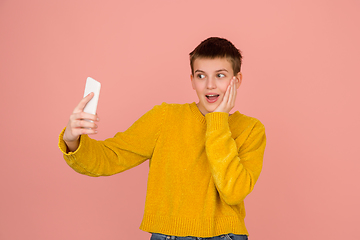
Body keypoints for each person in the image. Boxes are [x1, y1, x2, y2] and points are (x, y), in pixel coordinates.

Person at [58, 37, 266, 240]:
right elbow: (111, 157)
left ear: (236, 80)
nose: (210, 85)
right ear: (192, 80)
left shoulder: (251, 129)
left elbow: (234, 192)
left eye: (220, 75)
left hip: (227, 236)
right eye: (201, 76)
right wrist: (72, 140)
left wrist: (218, 121)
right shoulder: (165, 117)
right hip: (168, 235)